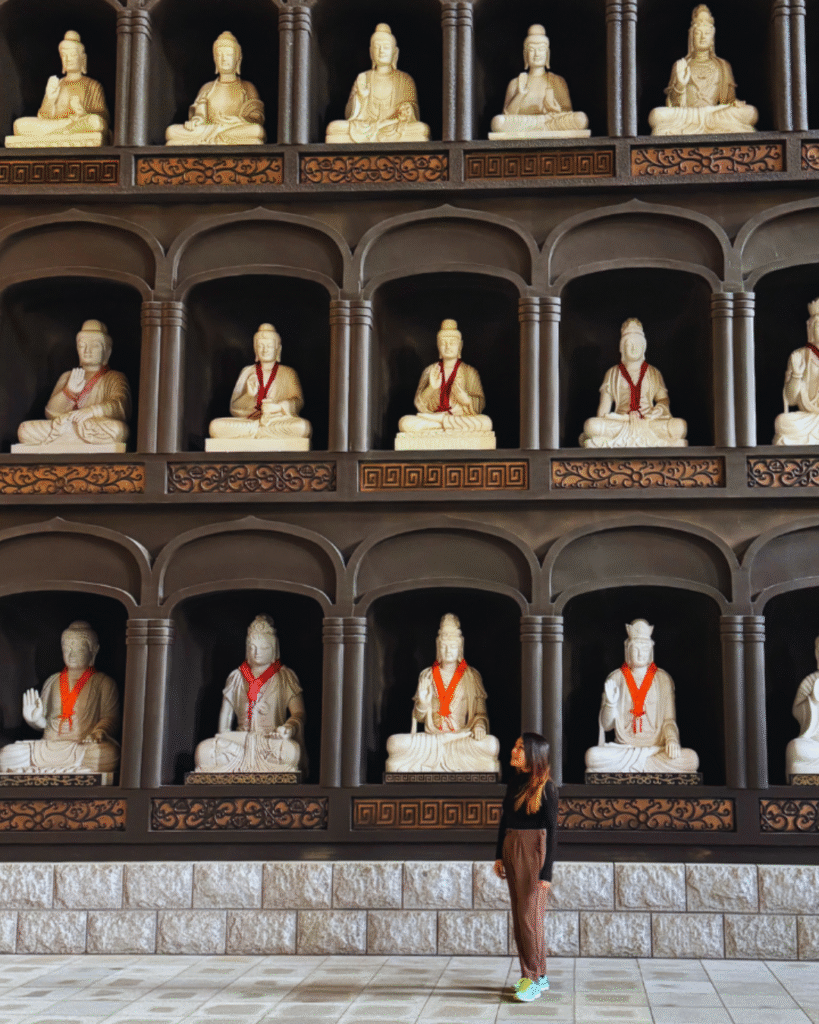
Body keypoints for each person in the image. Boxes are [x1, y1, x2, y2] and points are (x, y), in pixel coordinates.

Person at [0, 620, 120, 776]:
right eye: (66, 648)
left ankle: (52, 769)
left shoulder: (103, 682)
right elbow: (45, 723)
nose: (71, 654)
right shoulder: (53, 681)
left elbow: (110, 718)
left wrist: (99, 731)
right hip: (48, 746)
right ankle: (69, 770)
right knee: (7, 754)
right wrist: (34, 720)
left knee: (107, 754)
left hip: (81, 747)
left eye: (78, 648)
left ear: (93, 651)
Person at [385, 613, 500, 774]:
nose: (448, 651)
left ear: (460, 647)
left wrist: (479, 725)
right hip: (431, 740)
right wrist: (423, 704)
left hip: (461, 738)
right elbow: (419, 718)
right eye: (444, 646)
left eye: (453, 646)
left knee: (491, 745)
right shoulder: (427, 675)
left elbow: (480, 713)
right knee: (394, 743)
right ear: (438, 647)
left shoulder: (471, 677)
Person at [194, 614, 307, 775]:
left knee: (290, 752)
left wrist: (288, 728)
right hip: (240, 741)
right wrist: (232, 738)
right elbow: (224, 728)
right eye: (252, 647)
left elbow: (299, 713)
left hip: (270, 741)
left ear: (274, 648)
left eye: (263, 648)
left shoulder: (284, 676)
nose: (257, 653)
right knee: (203, 752)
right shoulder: (237, 677)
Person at [494, 732, 558, 1003]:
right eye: (516, 745)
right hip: (511, 846)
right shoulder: (514, 783)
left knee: (528, 920)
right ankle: (539, 976)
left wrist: (547, 873)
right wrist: (498, 855)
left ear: (534, 754)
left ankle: (530, 979)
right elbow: (503, 820)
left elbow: (553, 832)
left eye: (520, 747)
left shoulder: (547, 789)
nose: (514, 750)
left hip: (534, 852)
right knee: (524, 920)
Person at [15, 319, 131, 451]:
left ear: (107, 352)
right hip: (65, 425)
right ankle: (72, 437)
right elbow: (51, 413)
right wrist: (68, 391)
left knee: (118, 430)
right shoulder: (67, 376)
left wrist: (91, 411)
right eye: (82, 345)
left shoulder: (114, 377)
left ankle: (70, 436)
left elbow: (121, 407)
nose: (87, 350)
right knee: (25, 429)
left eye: (95, 345)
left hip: (92, 426)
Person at [579, 318, 687, 448]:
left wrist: (657, 411)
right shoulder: (613, 373)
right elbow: (603, 412)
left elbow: (663, 400)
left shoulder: (653, 372)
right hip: (622, 422)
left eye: (637, 343)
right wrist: (615, 419)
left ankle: (606, 443)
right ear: (622, 347)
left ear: (644, 346)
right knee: (591, 426)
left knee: (680, 426)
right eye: (629, 343)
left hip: (649, 421)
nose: (634, 347)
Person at [207, 322, 312, 449]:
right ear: (255, 349)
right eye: (261, 346)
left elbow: (297, 401)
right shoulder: (247, 371)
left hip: (275, 422)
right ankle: (260, 433)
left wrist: (278, 408)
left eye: (269, 346)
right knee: (215, 427)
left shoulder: (288, 372)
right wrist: (249, 396)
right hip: (250, 424)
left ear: (278, 349)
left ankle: (259, 434)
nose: (265, 349)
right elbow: (235, 408)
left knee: (302, 427)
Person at [325, 23, 430, 143]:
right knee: (333, 128)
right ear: (371, 52)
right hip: (364, 128)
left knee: (421, 130)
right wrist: (361, 97)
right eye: (377, 47)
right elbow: (349, 115)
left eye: (386, 47)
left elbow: (413, 114)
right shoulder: (363, 77)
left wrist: (407, 110)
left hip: (393, 127)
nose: (381, 51)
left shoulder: (405, 79)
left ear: (395, 53)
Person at [6, 31, 110, 147]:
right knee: (19, 125)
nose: (68, 59)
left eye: (73, 55)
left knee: (94, 122)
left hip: (77, 124)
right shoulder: (57, 84)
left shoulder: (92, 85)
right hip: (55, 126)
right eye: (64, 55)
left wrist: (82, 113)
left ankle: (61, 134)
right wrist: (50, 99)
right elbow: (44, 117)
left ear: (83, 59)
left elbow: (101, 118)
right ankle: (62, 134)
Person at [165, 31, 266, 146]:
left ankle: (217, 140)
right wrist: (196, 122)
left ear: (238, 59)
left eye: (228, 55)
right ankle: (217, 140)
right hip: (208, 130)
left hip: (234, 130)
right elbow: (200, 116)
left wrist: (239, 121)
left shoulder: (247, 87)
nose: (224, 59)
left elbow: (256, 117)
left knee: (256, 131)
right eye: (220, 55)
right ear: (215, 59)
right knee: (171, 132)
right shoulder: (207, 87)